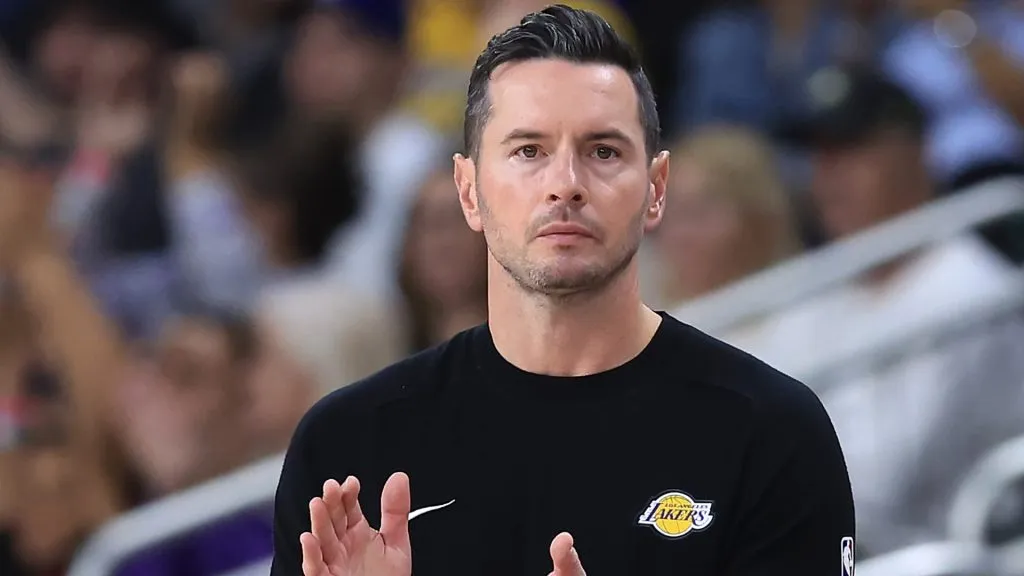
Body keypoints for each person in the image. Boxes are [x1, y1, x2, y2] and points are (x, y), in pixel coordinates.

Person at [270, 5, 855, 576]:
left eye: (603, 151)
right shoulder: (348, 448)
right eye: (529, 151)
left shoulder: (771, 434)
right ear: (468, 191)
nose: (565, 185)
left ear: (656, 189)